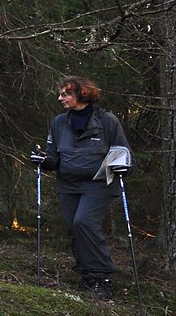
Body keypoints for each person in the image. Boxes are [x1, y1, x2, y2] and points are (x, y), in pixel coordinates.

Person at [28, 76, 133, 299]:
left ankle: (102, 278)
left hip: (99, 182)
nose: (60, 98)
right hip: (68, 184)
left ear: (82, 94)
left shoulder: (107, 121)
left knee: (84, 222)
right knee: (74, 228)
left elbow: (123, 152)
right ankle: (87, 276)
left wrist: (125, 167)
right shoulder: (58, 123)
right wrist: (41, 160)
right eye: (60, 94)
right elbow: (54, 159)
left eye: (66, 94)